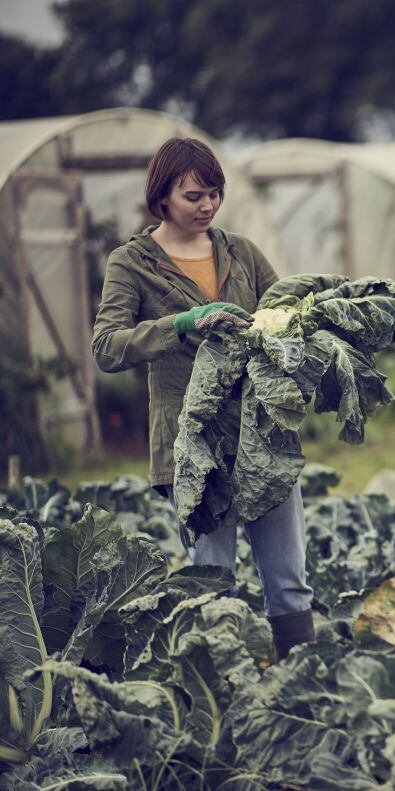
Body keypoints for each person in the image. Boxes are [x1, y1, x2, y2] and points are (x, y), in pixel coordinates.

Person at [92, 138, 314, 658]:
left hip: (264, 435)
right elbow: (107, 346)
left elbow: (288, 317)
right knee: (213, 582)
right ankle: (219, 687)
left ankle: (306, 682)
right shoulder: (132, 263)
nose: (208, 206)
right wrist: (181, 323)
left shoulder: (241, 252)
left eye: (215, 194)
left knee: (288, 579)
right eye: (194, 196)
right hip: (193, 447)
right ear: (162, 196)